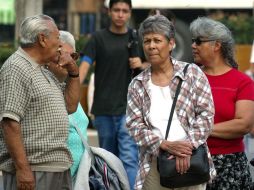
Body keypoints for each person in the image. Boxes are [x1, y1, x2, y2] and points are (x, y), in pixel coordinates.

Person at [126, 14, 216, 190]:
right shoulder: (137, 84)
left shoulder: (192, 74)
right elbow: (134, 125)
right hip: (154, 163)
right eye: (147, 41)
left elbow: (206, 114)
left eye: (157, 40)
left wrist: (186, 149)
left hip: (192, 160)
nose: (151, 46)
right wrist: (164, 145)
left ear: (172, 43)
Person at [0, 15, 80, 190]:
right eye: (57, 37)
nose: (60, 44)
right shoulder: (16, 67)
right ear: (42, 39)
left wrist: (73, 72)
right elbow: (9, 123)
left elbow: (70, 106)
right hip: (35, 169)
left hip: (57, 167)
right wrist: (23, 169)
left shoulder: (44, 69)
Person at [78, 0, 148, 188]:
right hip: (103, 110)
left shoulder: (136, 38)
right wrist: (73, 92)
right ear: (109, 12)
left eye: (124, 10)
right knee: (107, 160)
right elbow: (84, 66)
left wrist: (141, 64)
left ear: (130, 13)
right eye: (116, 10)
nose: (120, 14)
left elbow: (156, 66)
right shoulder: (98, 38)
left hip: (129, 110)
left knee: (129, 158)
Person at [190, 17, 254, 190]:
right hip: (191, 164)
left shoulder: (242, 82)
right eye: (192, 41)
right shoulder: (188, 78)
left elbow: (244, 125)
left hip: (230, 166)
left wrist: (201, 129)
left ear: (216, 46)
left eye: (198, 41)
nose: (193, 45)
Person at [45, 30, 89, 181]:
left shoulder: (69, 87)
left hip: (79, 176)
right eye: (61, 55)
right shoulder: (43, 88)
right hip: (53, 176)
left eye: (73, 56)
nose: (68, 61)